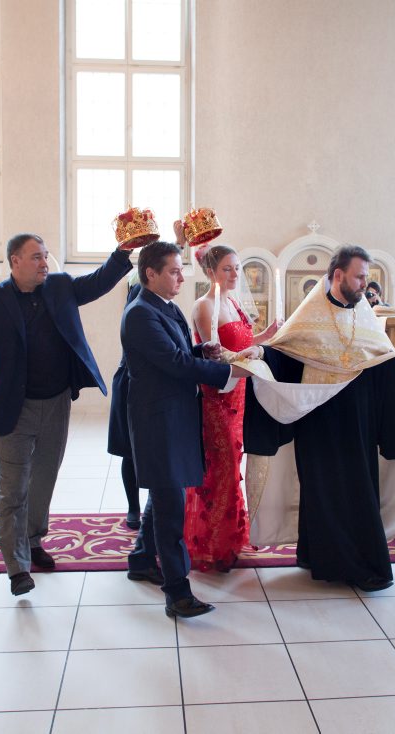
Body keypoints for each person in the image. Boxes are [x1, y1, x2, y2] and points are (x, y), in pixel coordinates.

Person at [244, 245, 395, 592]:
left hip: (358, 426)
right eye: (360, 276)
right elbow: (284, 356)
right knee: (321, 494)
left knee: (360, 492)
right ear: (338, 275)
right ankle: (321, 559)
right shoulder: (309, 316)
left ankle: (365, 566)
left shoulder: (364, 315)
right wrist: (261, 352)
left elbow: (384, 365)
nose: (365, 283)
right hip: (319, 425)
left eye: (366, 277)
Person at [0, 232, 132, 596]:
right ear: (14, 261)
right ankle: (17, 567)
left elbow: (98, 282)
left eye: (46, 256)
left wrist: (122, 252)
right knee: (12, 488)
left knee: (44, 479)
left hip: (55, 404)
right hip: (10, 409)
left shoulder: (60, 287)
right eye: (36, 257)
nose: (43, 263)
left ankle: (33, 540)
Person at [121, 240, 250, 618]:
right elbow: (173, 363)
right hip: (159, 423)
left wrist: (202, 353)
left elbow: (180, 353)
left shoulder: (165, 307)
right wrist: (228, 370)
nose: (181, 276)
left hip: (176, 416)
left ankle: (142, 559)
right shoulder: (141, 314)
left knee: (165, 496)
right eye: (174, 271)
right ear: (151, 274)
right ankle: (177, 594)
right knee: (171, 509)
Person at [188, 242, 280, 571]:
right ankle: (211, 544)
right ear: (210, 272)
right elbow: (216, 354)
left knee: (234, 463)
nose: (234, 274)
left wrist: (265, 336)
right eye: (227, 268)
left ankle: (231, 537)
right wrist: (248, 356)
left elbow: (243, 343)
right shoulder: (204, 306)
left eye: (237, 268)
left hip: (239, 393)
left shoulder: (234, 302)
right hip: (217, 396)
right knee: (220, 466)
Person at [107, 272, 143, 530]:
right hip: (129, 382)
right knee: (129, 452)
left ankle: (152, 505)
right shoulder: (136, 311)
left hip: (152, 386)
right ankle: (133, 507)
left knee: (154, 451)